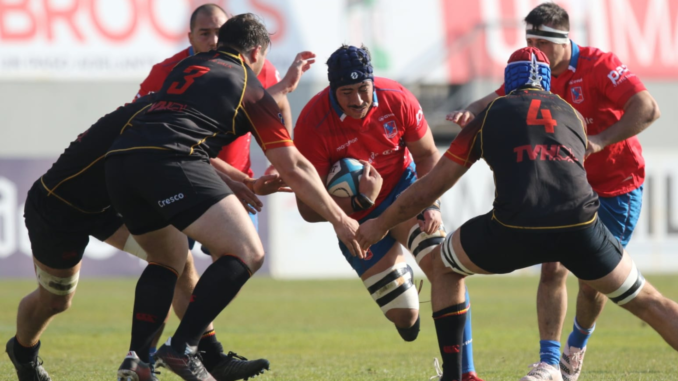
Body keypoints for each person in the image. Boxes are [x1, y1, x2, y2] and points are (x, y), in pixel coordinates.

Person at [356, 47, 678, 381]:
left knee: (443, 266)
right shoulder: (573, 114)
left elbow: (430, 188)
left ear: (508, 82)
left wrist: (380, 224)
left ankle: (455, 376)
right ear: (548, 82)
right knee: (649, 301)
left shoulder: (490, 114)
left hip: (514, 228)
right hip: (581, 226)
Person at [106, 13, 364, 381]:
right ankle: (182, 348)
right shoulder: (248, 85)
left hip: (121, 164)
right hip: (171, 163)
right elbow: (293, 165)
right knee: (248, 252)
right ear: (256, 51)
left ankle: (140, 363)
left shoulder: (187, 67)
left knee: (167, 260)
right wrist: (341, 219)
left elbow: (179, 121)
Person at [447, 4, 660, 380]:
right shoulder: (538, 75)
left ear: (563, 40)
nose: (534, 49)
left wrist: (600, 139)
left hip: (615, 188)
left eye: (540, 41)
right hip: (568, 188)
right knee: (553, 268)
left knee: (593, 284)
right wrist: (470, 110)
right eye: (528, 40)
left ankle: (575, 346)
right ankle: (548, 362)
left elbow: (648, 107)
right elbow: (497, 97)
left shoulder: (599, 65)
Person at [3, 97, 285, 381]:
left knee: (177, 257)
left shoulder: (173, 109)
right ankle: (23, 353)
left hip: (109, 207)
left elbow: (190, 152)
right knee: (55, 301)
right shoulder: (159, 110)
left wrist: (240, 182)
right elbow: (176, 151)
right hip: (58, 208)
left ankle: (201, 355)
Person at [134, 3, 315, 362]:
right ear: (190, 37)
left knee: (235, 262)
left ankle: (189, 348)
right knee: (176, 263)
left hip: (238, 185)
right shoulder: (167, 72)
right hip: (182, 177)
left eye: (220, 32)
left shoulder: (255, 68)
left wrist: (279, 153)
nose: (214, 39)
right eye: (205, 33)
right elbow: (157, 132)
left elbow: (274, 106)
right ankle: (177, 353)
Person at [293, 44, 483, 381]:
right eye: (346, 92)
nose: (356, 100)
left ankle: (463, 373)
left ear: (372, 82)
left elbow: (426, 156)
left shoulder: (397, 97)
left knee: (445, 266)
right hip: (356, 218)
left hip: (405, 196)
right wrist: (363, 203)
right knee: (405, 318)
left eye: (363, 88)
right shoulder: (312, 123)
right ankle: (403, 283)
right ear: (331, 89)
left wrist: (430, 203)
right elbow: (307, 209)